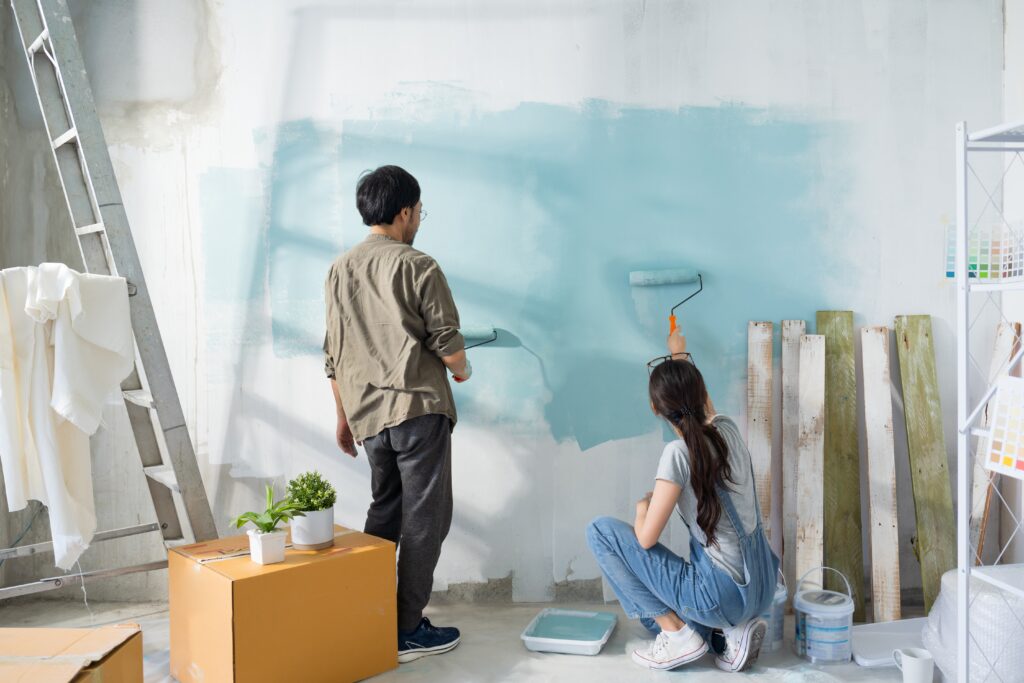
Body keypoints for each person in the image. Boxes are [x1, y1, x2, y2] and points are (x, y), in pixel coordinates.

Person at [323, 165, 471, 663]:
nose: (419, 221)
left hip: (368, 417)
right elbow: (447, 343)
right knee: (426, 520)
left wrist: (343, 416)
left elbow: (334, 353)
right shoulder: (417, 264)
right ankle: (406, 629)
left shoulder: (339, 269)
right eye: (419, 212)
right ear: (404, 211)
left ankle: (369, 615)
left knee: (384, 510)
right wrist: (463, 370)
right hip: (416, 408)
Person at [586, 330, 779, 672]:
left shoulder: (677, 454)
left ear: (654, 409)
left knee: (600, 532)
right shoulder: (728, 429)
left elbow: (645, 539)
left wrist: (642, 507)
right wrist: (680, 354)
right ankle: (726, 636)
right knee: (647, 613)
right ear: (703, 394)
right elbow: (701, 405)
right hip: (761, 588)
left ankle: (678, 636)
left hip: (722, 595)